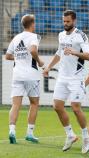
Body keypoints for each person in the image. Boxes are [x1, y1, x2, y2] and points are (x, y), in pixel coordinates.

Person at [43, 10, 89, 153]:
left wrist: (75, 52)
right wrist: (49, 67)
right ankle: (70, 135)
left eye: (68, 22)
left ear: (74, 21)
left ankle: (86, 137)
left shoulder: (81, 35)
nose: (65, 24)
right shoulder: (61, 35)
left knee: (75, 107)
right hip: (63, 76)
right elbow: (59, 53)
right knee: (57, 106)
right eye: (64, 21)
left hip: (76, 77)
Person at [6, 14, 44, 144]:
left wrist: (18, 58)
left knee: (16, 104)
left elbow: (7, 56)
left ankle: (12, 131)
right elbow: (33, 50)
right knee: (34, 103)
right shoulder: (34, 37)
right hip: (31, 75)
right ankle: (29, 133)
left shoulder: (16, 38)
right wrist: (39, 61)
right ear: (32, 24)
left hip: (17, 75)